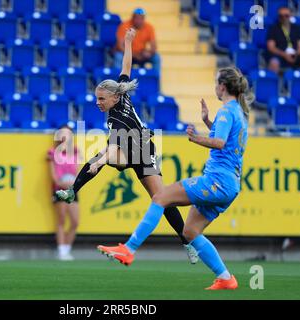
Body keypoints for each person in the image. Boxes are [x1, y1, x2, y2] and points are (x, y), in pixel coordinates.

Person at [98, 67, 254, 290]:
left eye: (216, 83)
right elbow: (226, 139)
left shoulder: (227, 111)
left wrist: (195, 138)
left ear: (223, 86)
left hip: (217, 181)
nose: (215, 87)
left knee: (160, 197)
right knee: (190, 231)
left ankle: (129, 249)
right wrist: (208, 121)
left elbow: (219, 143)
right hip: (230, 185)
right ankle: (226, 278)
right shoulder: (238, 112)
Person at [56, 28, 198, 263]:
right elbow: (126, 67)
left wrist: (100, 162)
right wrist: (129, 42)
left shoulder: (115, 119)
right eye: (96, 98)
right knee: (101, 155)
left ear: (113, 97)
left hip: (142, 150)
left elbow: (112, 149)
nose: (97, 102)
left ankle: (188, 242)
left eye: (101, 98)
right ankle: (72, 192)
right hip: (126, 150)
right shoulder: (122, 96)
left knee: (161, 198)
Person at [47, 125, 80, 261]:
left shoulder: (75, 151)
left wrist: (74, 184)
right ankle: (61, 250)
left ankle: (66, 249)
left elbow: (77, 171)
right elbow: (53, 175)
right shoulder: (53, 152)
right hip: (59, 189)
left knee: (75, 222)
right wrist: (61, 184)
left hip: (72, 189)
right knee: (61, 219)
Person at [265, 6, 300, 73]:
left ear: (290, 16)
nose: (284, 18)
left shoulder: (297, 28)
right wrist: (284, 54)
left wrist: (295, 54)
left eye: (286, 16)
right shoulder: (273, 28)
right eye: (281, 16)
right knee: (274, 63)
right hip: (280, 55)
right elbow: (271, 47)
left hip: (295, 55)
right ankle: (274, 82)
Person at [114, 8, 161, 74]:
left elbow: (154, 47)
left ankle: (155, 81)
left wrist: (149, 52)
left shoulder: (149, 27)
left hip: (141, 53)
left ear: (144, 19)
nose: (139, 21)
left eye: (141, 18)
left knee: (156, 57)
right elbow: (120, 46)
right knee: (118, 56)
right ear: (132, 18)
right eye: (137, 18)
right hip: (128, 53)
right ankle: (118, 81)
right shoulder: (124, 26)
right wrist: (132, 54)